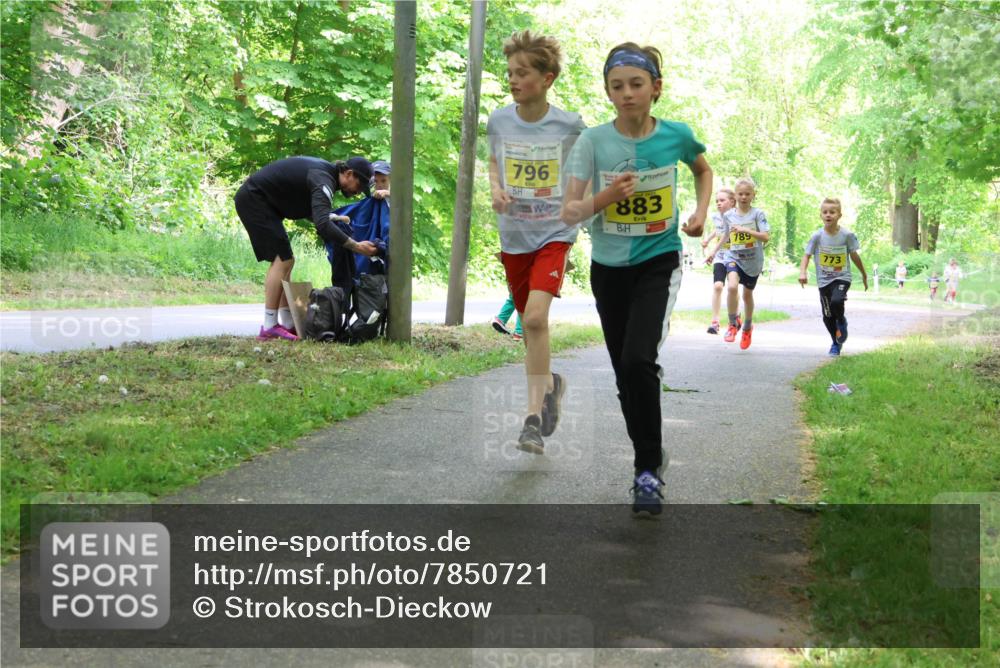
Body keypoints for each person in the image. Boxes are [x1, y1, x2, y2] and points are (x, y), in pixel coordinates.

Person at [563, 42, 712, 516]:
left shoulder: (676, 136)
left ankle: (646, 470)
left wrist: (700, 211)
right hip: (608, 270)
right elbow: (571, 209)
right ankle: (649, 453)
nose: (626, 94)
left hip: (658, 262)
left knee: (637, 359)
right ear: (608, 92)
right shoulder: (592, 142)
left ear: (655, 89)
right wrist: (606, 197)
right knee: (626, 374)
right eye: (616, 86)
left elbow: (703, 171)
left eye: (636, 84)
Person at [487, 30, 585, 455]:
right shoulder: (499, 121)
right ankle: (550, 386)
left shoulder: (569, 126)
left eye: (522, 73)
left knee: (534, 320)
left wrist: (575, 203)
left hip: (553, 233)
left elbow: (586, 170)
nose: (513, 79)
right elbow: (493, 163)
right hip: (515, 235)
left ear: (547, 78)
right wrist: (496, 190)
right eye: (510, 72)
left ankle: (530, 420)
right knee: (531, 328)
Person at [235, 156, 376, 341]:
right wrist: (355, 246)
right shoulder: (324, 179)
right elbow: (322, 224)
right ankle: (269, 326)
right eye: (359, 186)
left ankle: (286, 322)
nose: (358, 192)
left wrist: (331, 217)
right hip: (255, 200)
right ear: (349, 174)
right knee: (283, 259)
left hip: (261, 202)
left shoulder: (326, 175)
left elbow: (315, 212)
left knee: (286, 261)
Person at [798, 198, 868, 356]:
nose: (828, 215)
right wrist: (802, 272)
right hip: (824, 281)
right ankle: (835, 343)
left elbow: (854, 256)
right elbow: (806, 255)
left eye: (832, 212)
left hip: (842, 277)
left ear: (839, 215)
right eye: (825, 212)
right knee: (827, 316)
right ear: (821, 215)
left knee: (837, 300)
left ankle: (842, 321)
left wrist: (864, 274)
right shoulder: (817, 236)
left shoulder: (846, 235)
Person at [708, 177, 769, 350]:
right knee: (732, 287)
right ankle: (733, 323)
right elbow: (726, 236)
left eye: (747, 194)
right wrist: (713, 252)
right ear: (736, 195)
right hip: (733, 256)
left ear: (753, 195)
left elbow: (765, 237)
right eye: (740, 194)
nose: (743, 197)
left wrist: (746, 230)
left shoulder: (757, 214)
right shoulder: (728, 215)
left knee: (747, 295)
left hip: (753, 261)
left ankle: (747, 327)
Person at [702, 188, 738, 334]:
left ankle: (735, 317)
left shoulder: (737, 217)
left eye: (722, 200)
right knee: (717, 286)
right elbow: (719, 231)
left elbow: (726, 235)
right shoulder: (716, 217)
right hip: (720, 256)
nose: (718, 203)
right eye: (717, 201)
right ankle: (715, 322)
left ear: (732, 202)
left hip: (734, 256)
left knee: (732, 287)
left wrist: (712, 251)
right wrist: (707, 240)